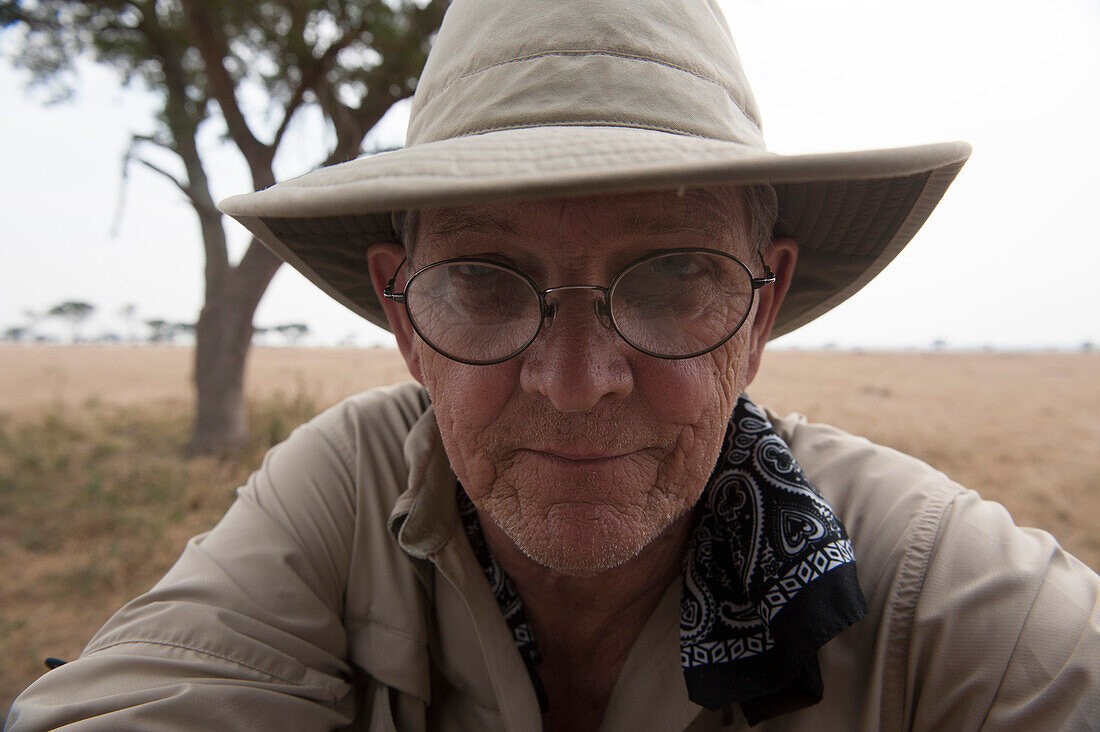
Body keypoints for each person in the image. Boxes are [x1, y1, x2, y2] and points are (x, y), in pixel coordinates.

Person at [7, 0, 1099, 729]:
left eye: (672, 278)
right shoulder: (349, 494)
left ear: (758, 310)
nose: (575, 381)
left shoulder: (927, 591)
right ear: (402, 313)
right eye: (483, 280)